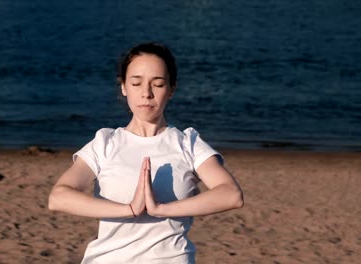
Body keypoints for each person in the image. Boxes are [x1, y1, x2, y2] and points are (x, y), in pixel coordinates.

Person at [48, 42, 244, 264]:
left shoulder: (188, 143)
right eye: (136, 83)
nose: (146, 93)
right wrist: (129, 209)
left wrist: (162, 209)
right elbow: (58, 198)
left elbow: (231, 194)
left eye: (158, 84)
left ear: (171, 89)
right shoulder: (105, 143)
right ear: (124, 87)